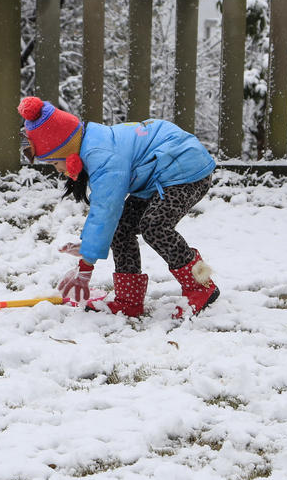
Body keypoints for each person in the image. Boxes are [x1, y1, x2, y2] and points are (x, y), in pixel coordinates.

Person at [18, 96, 219, 317]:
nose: (57, 169)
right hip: (157, 174)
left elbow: (106, 210)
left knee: (155, 227)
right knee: (120, 228)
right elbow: (106, 215)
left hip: (186, 171)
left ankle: (201, 286)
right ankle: (129, 300)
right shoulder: (92, 144)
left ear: (66, 150)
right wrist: (88, 247)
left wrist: (86, 268)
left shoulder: (102, 157)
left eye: (54, 162)